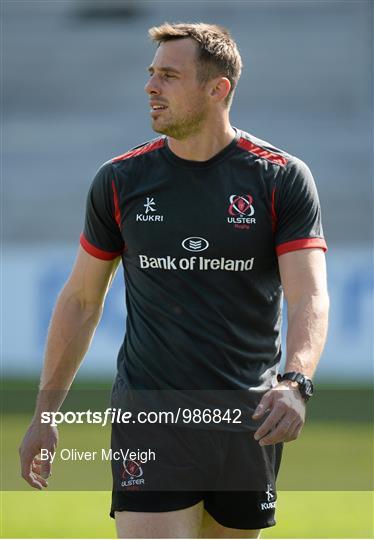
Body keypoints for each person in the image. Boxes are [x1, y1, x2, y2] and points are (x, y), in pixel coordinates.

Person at [19, 22, 329, 539]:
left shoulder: (280, 178)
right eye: (150, 74)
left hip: (247, 419)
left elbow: (310, 296)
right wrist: (46, 412)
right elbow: (79, 301)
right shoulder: (120, 181)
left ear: (217, 88)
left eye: (168, 75)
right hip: (151, 411)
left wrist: (295, 383)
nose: (150, 87)